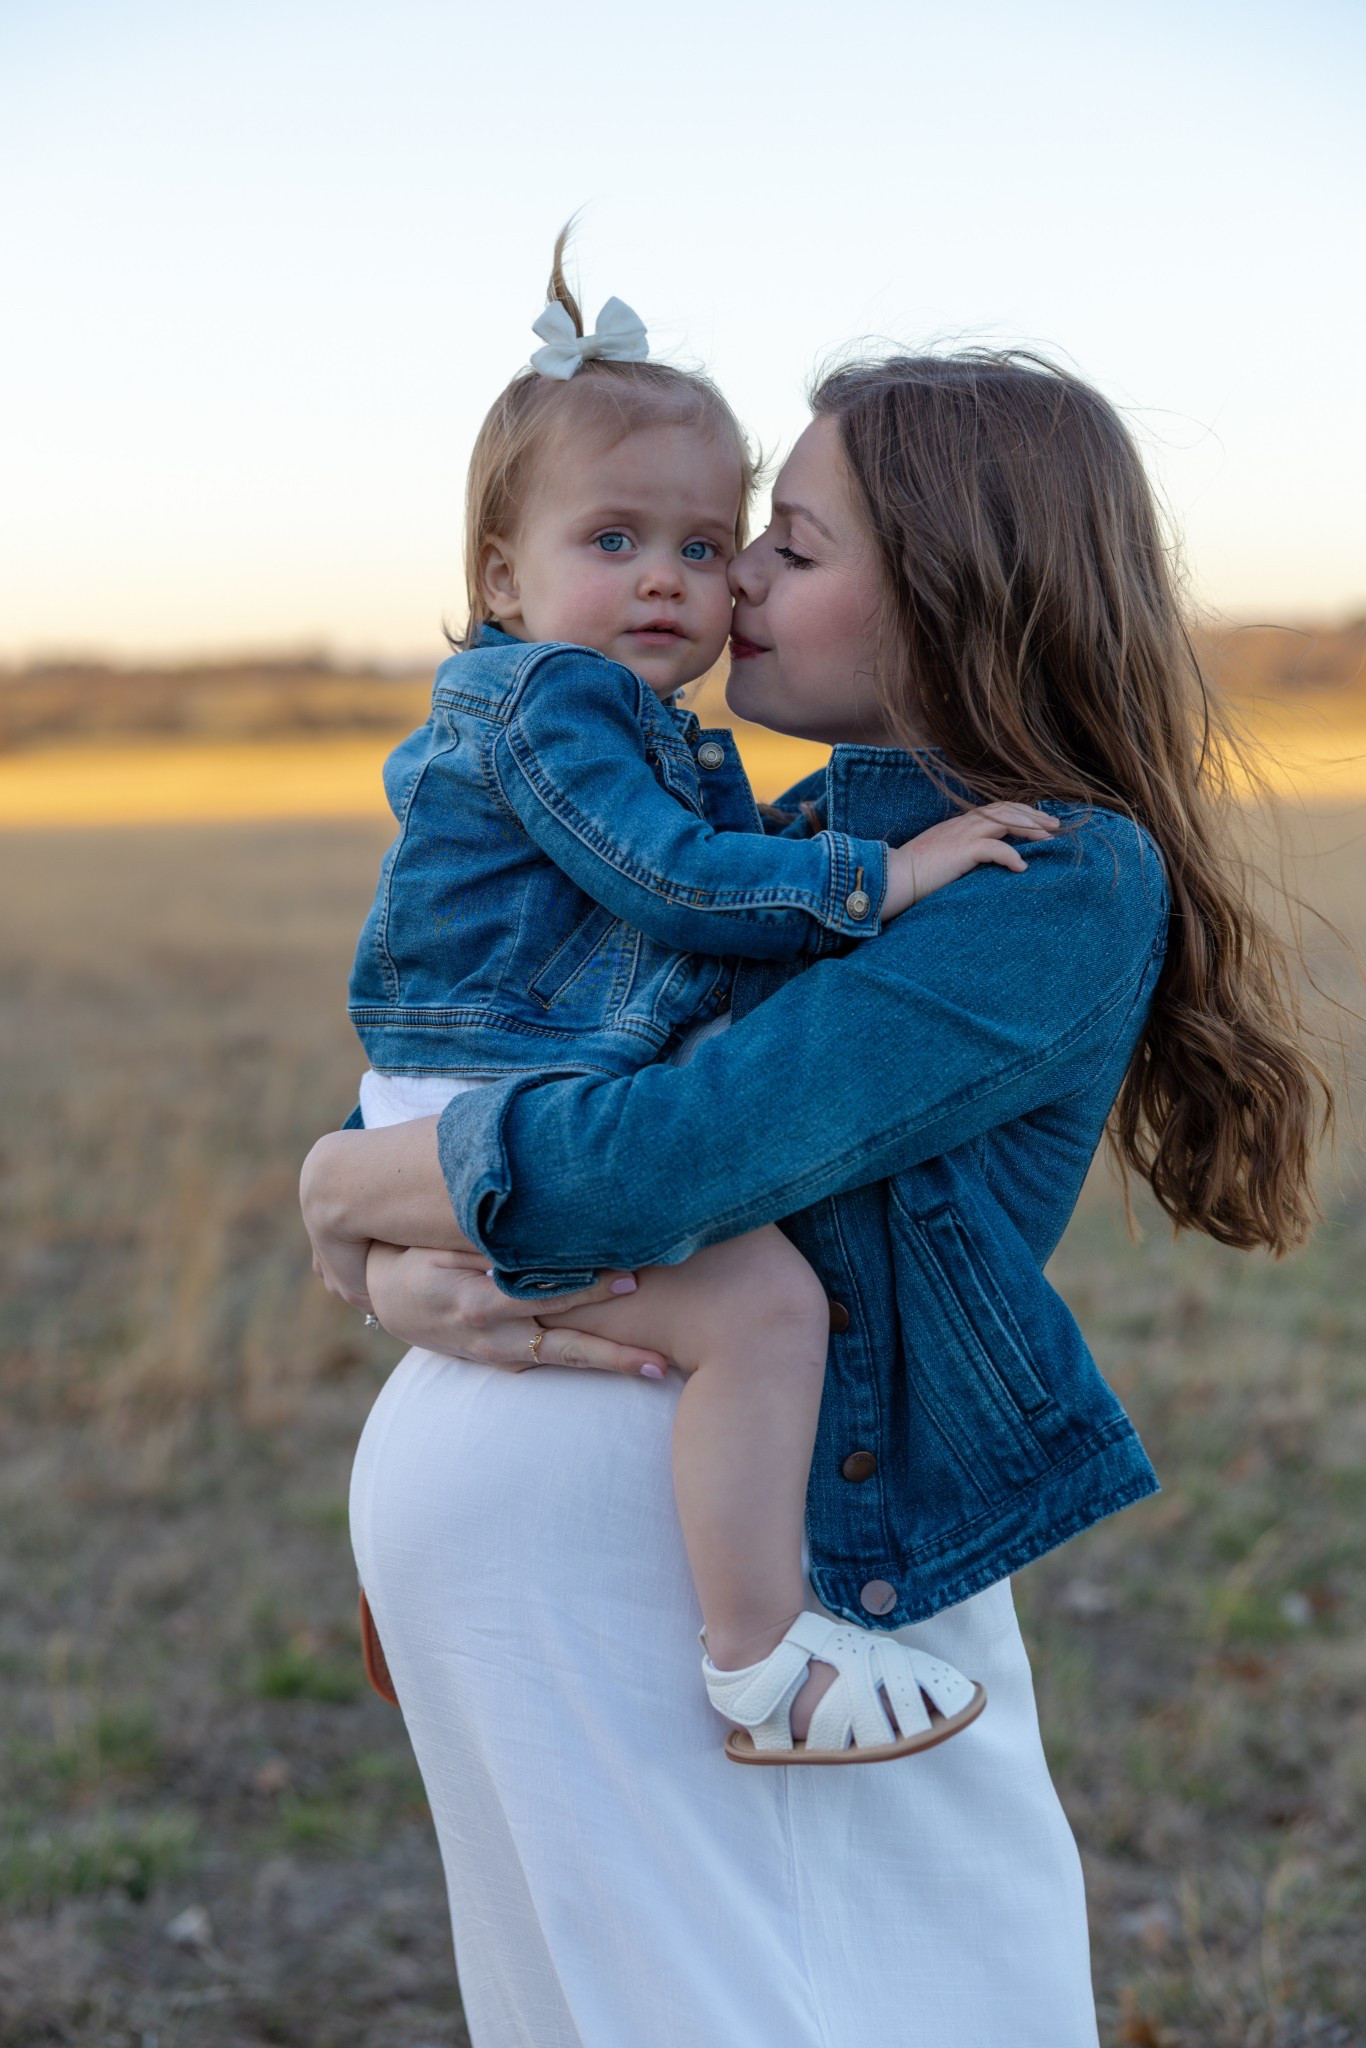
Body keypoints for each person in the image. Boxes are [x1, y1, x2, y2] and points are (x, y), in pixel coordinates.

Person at [302, 346, 1328, 2047]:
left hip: (743, 1584)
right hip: (620, 1590)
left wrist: (356, 1187)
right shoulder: (779, 857)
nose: (731, 578)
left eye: (788, 536)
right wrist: (382, 1242)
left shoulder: (1047, 876)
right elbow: (517, 1070)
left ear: (949, 589)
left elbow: (669, 1155)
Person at [343, 238, 1053, 1761]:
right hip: (503, 1114)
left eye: (715, 541)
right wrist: (885, 877)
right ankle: (758, 1663)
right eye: (612, 538)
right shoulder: (560, 703)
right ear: (497, 576)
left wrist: (352, 1192)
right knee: (759, 1304)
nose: (675, 579)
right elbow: (672, 888)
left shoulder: (636, 725)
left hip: (496, 1120)